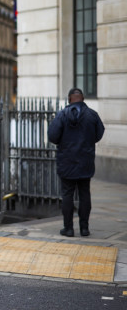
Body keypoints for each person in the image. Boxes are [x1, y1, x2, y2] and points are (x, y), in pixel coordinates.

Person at [48, 88, 104, 238]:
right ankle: (84, 229)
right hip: (85, 161)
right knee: (85, 194)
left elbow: (52, 136)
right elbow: (99, 134)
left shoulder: (61, 115)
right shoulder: (92, 115)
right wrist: (87, 142)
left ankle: (69, 229)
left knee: (67, 194)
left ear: (69, 99)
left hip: (66, 161)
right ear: (83, 98)